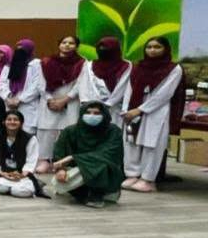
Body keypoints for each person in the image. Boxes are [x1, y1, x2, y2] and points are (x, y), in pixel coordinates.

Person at [120, 36, 184, 193]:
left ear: (165, 49)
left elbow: (165, 94)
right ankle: (132, 175)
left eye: (157, 47)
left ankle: (148, 179)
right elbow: (130, 88)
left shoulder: (173, 69)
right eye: (149, 47)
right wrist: (127, 109)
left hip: (157, 111)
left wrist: (140, 109)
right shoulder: (138, 67)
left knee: (152, 143)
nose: (152, 50)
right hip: (134, 109)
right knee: (131, 142)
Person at [52, 101, 124, 207]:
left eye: (96, 113)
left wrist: (72, 157)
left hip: (105, 174)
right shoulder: (70, 131)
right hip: (79, 171)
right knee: (58, 183)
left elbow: (107, 155)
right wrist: (60, 170)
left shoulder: (113, 131)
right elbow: (59, 153)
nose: (92, 116)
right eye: (88, 112)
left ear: (104, 114)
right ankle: (84, 194)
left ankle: (96, 194)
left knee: (101, 164)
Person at [35, 35, 86, 172]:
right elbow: (40, 84)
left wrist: (65, 100)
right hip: (49, 102)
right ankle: (44, 160)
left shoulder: (82, 63)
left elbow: (80, 84)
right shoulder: (46, 62)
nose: (67, 45)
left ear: (76, 46)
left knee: (68, 131)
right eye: (64, 42)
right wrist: (50, 99)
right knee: (46, 131)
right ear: (59, 45)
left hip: (70, 102)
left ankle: (62, 162)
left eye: (71, 43)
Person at [0, 109, 40, 198]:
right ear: (4, 122)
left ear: (21, 123)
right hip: (1, 174)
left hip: (21, 175)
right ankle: (11, 189)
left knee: (23, 191)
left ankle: (15, 189)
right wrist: (3, 174)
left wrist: (21, 175)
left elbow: (31, 161)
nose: (12, 122)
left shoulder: (30, 139)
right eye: (9, 119)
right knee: (1, 188)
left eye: (16, 120)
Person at [0, 39, 44, 134]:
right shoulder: (9, 64)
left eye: (23, 49)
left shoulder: (36, 64)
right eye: (18, 49)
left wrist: (20, 100)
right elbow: (2, 83)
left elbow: (37, 85)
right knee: (10, 133)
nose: (19, 51)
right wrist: (7, 98)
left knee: (27, 134)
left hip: (27, 104)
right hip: (10, 102)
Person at [84, 36, 130, 123]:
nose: (103, 50)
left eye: (106, 48)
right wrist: (95, 104)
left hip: (116, 108)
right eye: (100, 47)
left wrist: (109, 104)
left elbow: (122, 87)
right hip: (94, 108)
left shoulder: (126, 65)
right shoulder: (90, 65)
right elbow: (87, 86)